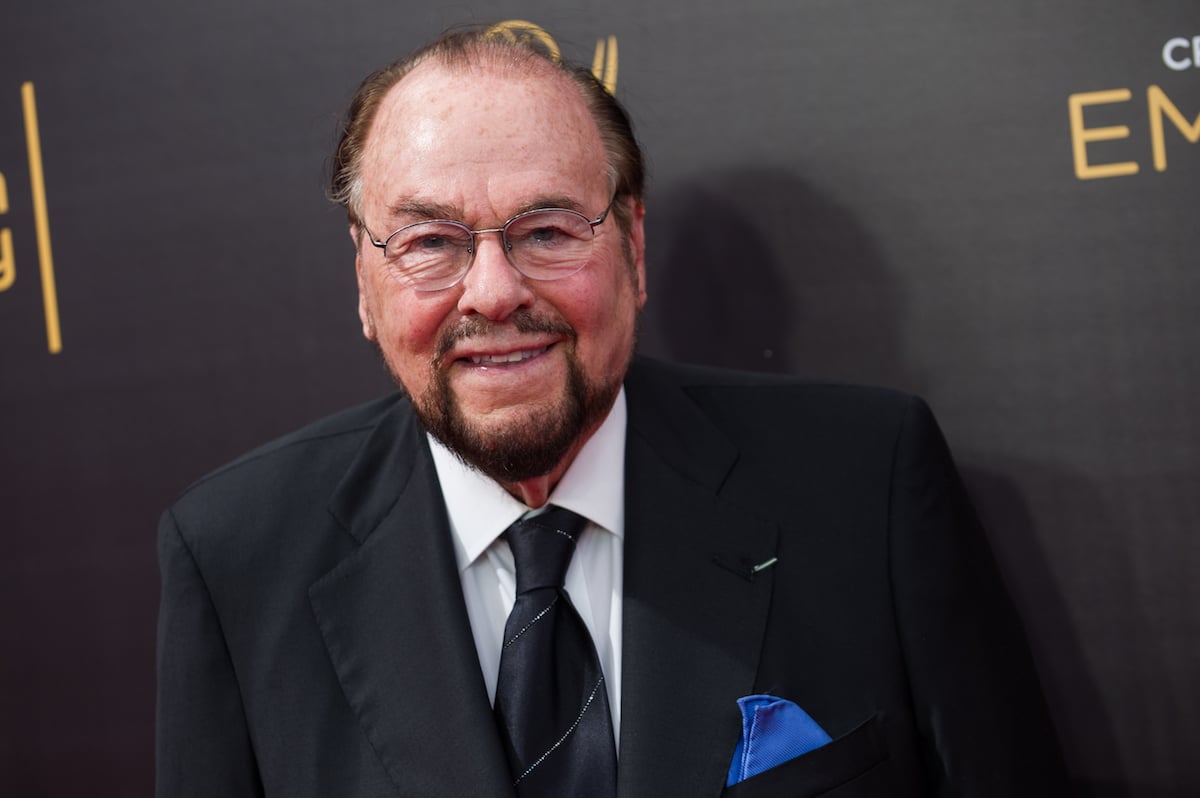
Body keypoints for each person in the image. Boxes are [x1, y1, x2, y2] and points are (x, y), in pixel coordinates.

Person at [156, 26, 1068, 798]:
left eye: (547, 230)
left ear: (632, 245)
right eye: (430, 241)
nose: (494, 292)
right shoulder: (237, 557)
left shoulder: (865, 484)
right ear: (364, 278)